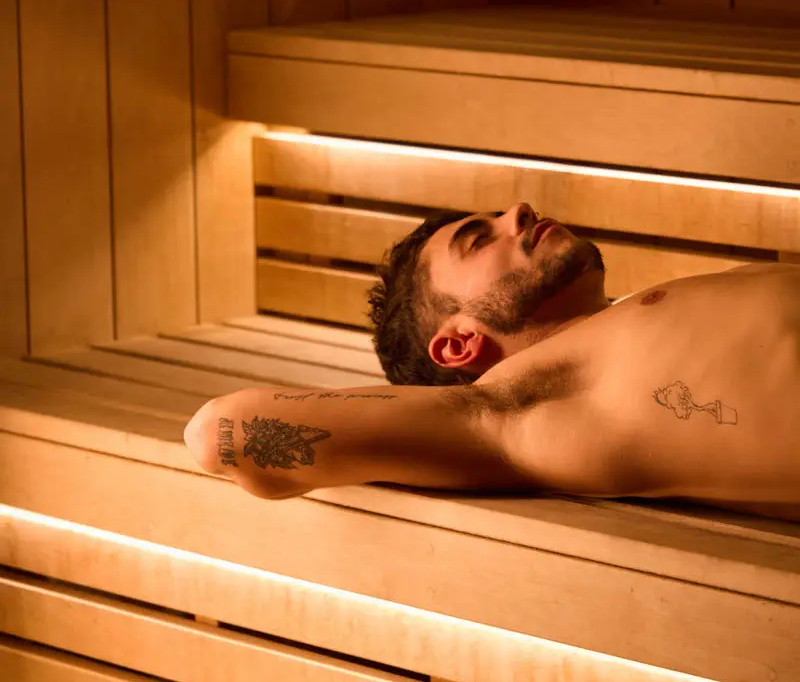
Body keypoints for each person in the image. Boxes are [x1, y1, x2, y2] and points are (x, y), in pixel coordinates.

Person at [184, 204, 800, 521]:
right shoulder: (521, 408)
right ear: (458, 345)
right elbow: (218, 434)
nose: (519, 212)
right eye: (480, 240)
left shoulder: (623, 325)